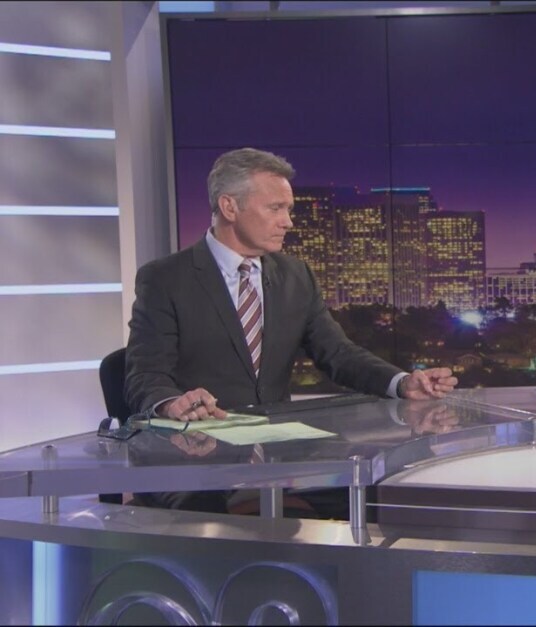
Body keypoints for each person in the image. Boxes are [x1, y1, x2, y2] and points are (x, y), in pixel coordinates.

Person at [124, 147, 459, 514]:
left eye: (289, 209)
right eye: (275, 208)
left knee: (373, 486)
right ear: (229, 207)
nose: (288, 222)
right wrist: (171, 403)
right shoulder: (166, 279)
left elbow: (338, 353)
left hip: (278, 450)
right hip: (197, 455)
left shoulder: (295, 275)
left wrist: (401, 383)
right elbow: (145, 374)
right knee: (208, 513)